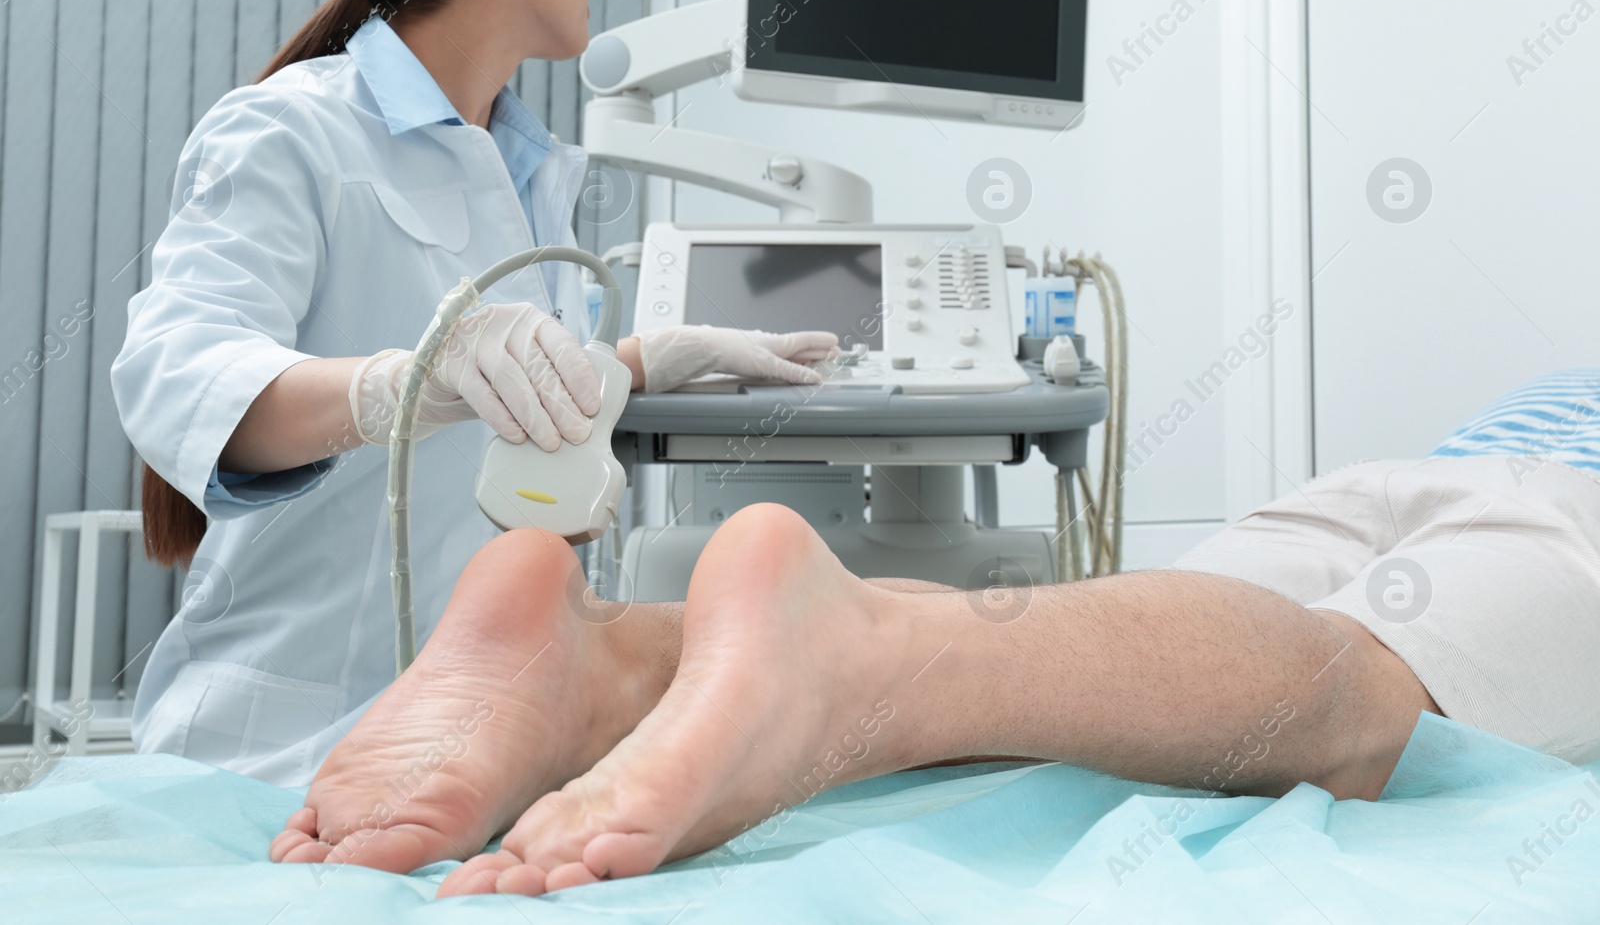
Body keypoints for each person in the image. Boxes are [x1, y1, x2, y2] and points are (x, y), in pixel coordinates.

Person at [268, 369, 1600, 896]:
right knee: (1353, 703)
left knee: (1161, 665)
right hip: (1569, 498)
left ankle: (617, 659)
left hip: (1387, 477)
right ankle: (866, 663)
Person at [110, 0, 835, 788]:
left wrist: (651, 358)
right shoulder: (289, 133)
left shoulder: (524, 166)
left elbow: (500, 385)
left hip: (493, 732)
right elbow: (183, 373)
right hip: (290, 752)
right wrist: (409, 382)